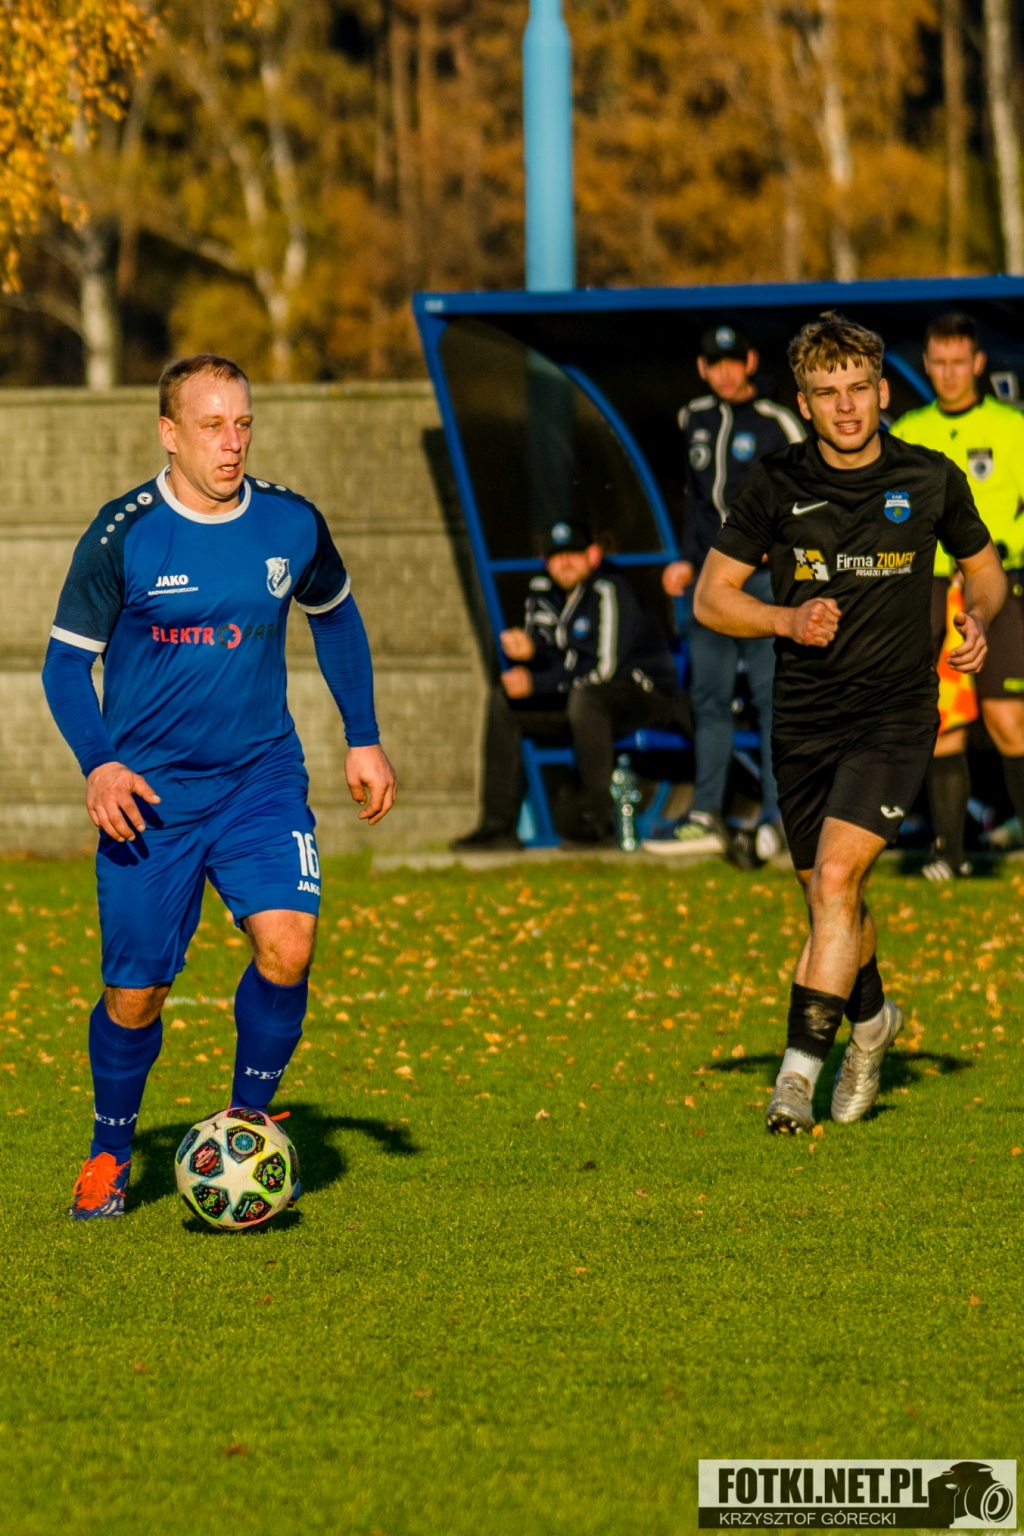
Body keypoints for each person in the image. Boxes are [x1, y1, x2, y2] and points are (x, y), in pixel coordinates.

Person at [42, 354, 396, 1218]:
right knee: (137, 994)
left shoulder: (290, 522)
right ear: (169, 433)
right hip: (150, 799)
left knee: (289, 944)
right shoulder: (124, 534)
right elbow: (63, 666)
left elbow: (335, 615)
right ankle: (110, 1153)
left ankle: (247, 1121)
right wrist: (100, 763)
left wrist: (363, 737)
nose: (231, 443)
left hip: (258, 782)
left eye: (242, 424)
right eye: (211, 426)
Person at [693, 311, 1005, 1135]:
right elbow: (711, 598)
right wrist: (785, 621)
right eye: (828, 393)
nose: (846, 407)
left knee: (836, 883)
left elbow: (985, 572)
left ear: (883, 392)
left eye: (859, 389)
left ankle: (796, 1079)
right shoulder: (774, 483)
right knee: (828, 900)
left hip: (895, 716)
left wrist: (976, 615)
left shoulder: (930, 477)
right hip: (803, 720)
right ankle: (870, 1023)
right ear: (803, 402)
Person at [646, 323, 805, 860]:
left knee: (770, 697)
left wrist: (773, 550)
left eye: (734, 361)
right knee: (709, 699)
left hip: (761, 580)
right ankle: (705, 813)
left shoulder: (777, 421)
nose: (726, 373)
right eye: (715, 363)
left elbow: (805, 494)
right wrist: (685, 559)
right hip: (709, 581)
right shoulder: (693, 417)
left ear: (751, 362)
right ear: (702, 368)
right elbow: (695, 502)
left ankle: (779, 815)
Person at [452, 520, 690, 849]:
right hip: (582, 706)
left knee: (586, 698)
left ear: (592, 555)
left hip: (642, 699)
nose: (564, 562)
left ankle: (598, 822)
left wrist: (535, 684)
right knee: (503, 702)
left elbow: (604, 671)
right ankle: (497, 828)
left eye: (574, 553)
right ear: (544, 560)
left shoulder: (611, 590)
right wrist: (531, 651)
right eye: (556, 555)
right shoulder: (543, 592)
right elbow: (555, 654)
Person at [891, 312, 1024, 880]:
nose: (948, 373)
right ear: (927, 364)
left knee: (1008, 719)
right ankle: (949, 853)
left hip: (997, 586)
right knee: (940, 718)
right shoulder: (908, 430)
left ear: (977, 363)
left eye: (958, 362)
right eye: (939, 362)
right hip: (928, 586)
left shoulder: (1012, 427)